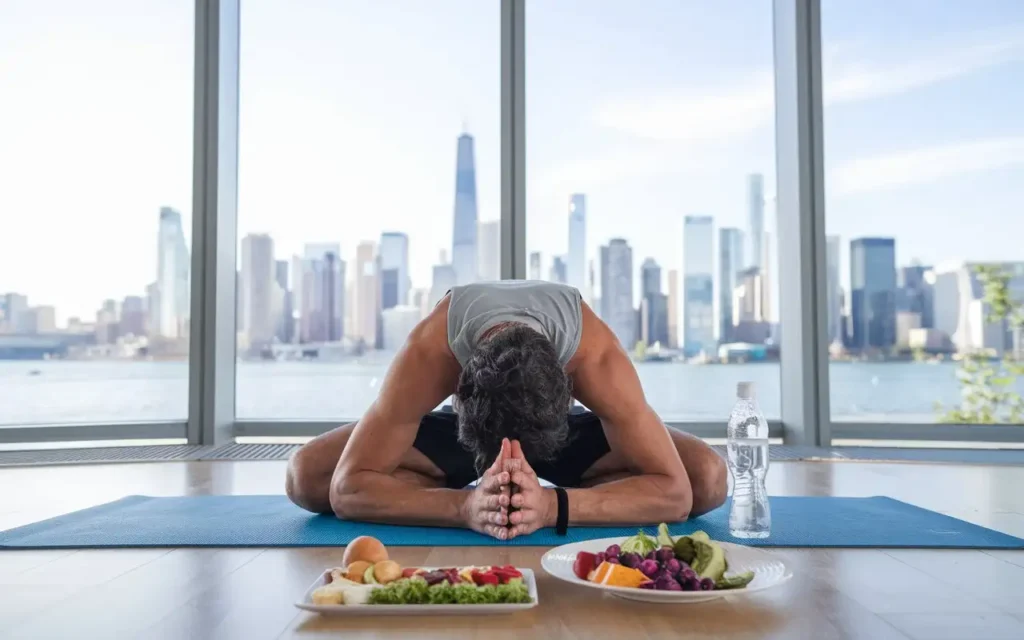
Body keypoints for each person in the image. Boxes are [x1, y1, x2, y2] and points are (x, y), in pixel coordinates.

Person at [286, 280, 727, 540]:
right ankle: (479, 486)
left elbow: (678, 494)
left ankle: (545, 482)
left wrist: (554, 507)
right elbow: (346, 489)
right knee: (309, 477)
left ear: (569, 385)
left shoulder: (594, 356)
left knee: (706, 479)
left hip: (561, 434)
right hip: (465, 435)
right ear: (458, 390)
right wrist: (466, 508)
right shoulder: (428, 352)